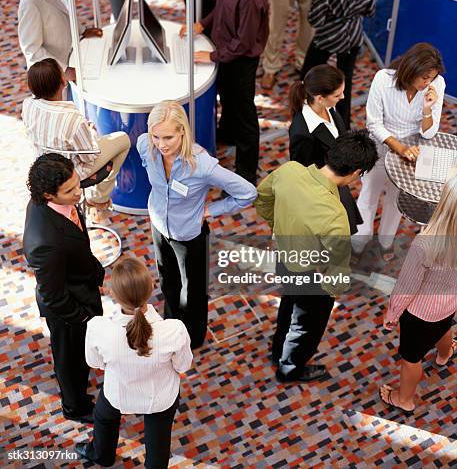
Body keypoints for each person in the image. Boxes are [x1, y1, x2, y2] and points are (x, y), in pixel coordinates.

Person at [255, 130, 378, 383]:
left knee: (289, 304)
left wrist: (277, 225)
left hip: (283, 259)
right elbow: (337, 269)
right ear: (356, 173)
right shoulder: (335, 215)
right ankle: (289, 368)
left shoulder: (289, 171)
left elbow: (262, 198)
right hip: (311, 276)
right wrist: (330, 295)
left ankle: (278, 350)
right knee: (306, 326)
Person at [136, 100, 257, 348]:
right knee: (167, 281)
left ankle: (192, 338)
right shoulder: (145, 146)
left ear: (183, 130)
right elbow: (147, 160)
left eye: (168, 137)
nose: (161, 144)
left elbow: (248, 193)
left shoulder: (202, 164)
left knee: (192, 293)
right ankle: (171, 325)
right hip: (159, 226)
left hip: (190, 234)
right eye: (156, 136)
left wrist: (212, 209)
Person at [76, 257, 192, 467]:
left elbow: (96, 363)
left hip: (118, 393)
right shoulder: (174, 329)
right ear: (150, 288)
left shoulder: (98, 328)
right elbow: (183, 366)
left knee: (102, 417)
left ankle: (102, 455)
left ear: (113, 294)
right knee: (159, 440)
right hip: (161, 398)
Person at [181, 0, 269, 185]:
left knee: (244, 115)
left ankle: (245, 174)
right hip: (226, 54)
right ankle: (226, 135)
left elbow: (242, 43)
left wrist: (211, 57)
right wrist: (203, 24)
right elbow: (221, 8)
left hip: (239, 62)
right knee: (228, 102)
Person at [23, 154, 105, 422]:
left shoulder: (56, 203)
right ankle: (75, 407)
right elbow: (54, 296)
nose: (78, 193)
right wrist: (82, 317)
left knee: (79, 355)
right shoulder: (45, 242)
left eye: (76, 184)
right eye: (69, 191)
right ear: (48, 194)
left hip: (81, 286)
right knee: (69, 361)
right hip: (69, 310)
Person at [352, 43, 446, 256]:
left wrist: (427, 110)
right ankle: (358, 242)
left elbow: (429, 133)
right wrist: (399, 148)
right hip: (380, 145)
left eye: (431, 78)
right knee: (368, 194)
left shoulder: (437, 84)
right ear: (411, 70)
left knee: (396, 201)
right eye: (424, 78)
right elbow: (374, 124)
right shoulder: (383, 79)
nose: (428, 83)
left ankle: (385, 243)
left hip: (412, 152)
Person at [380, 175, 457, 414]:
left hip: (419, 314)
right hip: (451, 301)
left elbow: (406, 287)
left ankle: (404, 399)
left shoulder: (425, 244)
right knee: (444, 325)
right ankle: (445, 354)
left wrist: (392, 314)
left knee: (411, 359)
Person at [22, 59, 130, 209]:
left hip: (44, 168)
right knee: (124, 141)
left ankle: (97, 199)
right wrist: (91, 133)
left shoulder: (27, 105)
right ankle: (98, 199)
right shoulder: (73, 119)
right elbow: (89, 156)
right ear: (63, 81)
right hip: (69, 173)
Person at [299, 0, 376, 128]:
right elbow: (369, 10)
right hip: (352, 37)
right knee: (345, 86)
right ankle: (343, 128)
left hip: (328, 37)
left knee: (308, 75)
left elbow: (314, 19)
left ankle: (304, 115)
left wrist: (333, 16)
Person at [289, 64, 362, 233]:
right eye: (337, 94)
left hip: (337, 184)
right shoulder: (302, 134)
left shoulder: (329, 107)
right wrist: (344, 180)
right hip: (321, 197)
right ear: (320, 97)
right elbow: (304, 178)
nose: (343, 97)